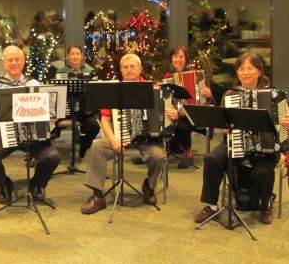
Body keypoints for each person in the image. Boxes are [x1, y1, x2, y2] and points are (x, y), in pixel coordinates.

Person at [194, 52, 289, 225]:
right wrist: (224, 128)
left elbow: (284, 123)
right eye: (241, 69)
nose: (245, 73)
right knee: (212, 158)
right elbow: (223, 125)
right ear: (237, 73)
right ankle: (211, 205)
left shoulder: (275, 97)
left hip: (265, 149)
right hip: (235, 142)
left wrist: (286, 123)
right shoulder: (230, 95)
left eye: (250, 69)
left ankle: (265, 204)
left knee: (262, 172)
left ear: (259, 71)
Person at [81, 53, 178, 214]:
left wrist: (171, 113)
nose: (129, 69)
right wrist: (112, 139)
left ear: (140, 68)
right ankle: (98, 196)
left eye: (133, 66)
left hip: (148, 140)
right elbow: (105, 120)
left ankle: (149, 186)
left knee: (159, 156)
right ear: (121, 70)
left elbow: (168, 114)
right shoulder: (113, 90)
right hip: (119, 137)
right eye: (125, 67)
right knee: (97, 146)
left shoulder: (155, 89)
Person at [0, 45, 61, 204]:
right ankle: (4, 184)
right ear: (4, 63)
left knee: (53, 156)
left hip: (32, 134)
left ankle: (37, 183)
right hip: (4, 133)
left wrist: (51, 119)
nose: (14, 63)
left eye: (18, 59)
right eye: (10, 60)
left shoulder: (34, 83)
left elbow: (45, 114)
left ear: (23, 62)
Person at [163, 45, 212, 168]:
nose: (178, 59)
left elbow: (208, 99)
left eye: (181, 56)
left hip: (196, 114)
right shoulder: (168, 77)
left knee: (181, 124)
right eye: (175, 56)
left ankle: (188, 154)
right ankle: (165, 149)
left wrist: (208, 94)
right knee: (168, 118)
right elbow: (165, 98)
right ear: (171, 58)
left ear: (186, 59)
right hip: (178, 114)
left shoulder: (197, 75)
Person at [55, 45, 101, 159]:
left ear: (81, 56)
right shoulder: (61, 72)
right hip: (64, 111)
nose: (75, 56)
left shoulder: (89, 72)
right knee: (50, 125)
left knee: (94, 126)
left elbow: (94, 95)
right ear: (68, 56)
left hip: (82, 111)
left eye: (77, 54)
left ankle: (84, 146)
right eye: (72, 54)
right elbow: (56, 92)